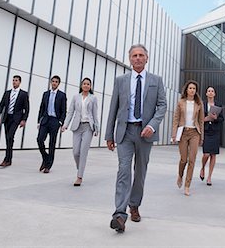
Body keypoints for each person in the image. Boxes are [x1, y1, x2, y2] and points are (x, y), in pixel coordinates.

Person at [105, 44, 167, 233]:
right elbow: (113, 108)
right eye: (134, 56)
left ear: (147, 58)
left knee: (140, 172)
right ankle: (119, 215)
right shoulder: (120, 80)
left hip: (144, 133)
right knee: (124, 170)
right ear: (130, 59)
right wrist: (109, 134)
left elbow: (162, 106)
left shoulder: (156, 80)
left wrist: (152, 126)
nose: (138, 58)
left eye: (141, 55)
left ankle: (134, 204)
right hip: (125, 132)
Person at [61, 77, 99, 186]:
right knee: (76, 152)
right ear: (81, 85)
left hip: (88, 127)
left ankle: (79, 176)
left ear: (90, 86)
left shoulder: (93, 98)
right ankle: (80, 168)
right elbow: (70, 112)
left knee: (83, 152)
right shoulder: (75, 97)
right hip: (77, 127)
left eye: (88, 84)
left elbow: (95, 114)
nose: (86, 85)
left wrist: (97, 128)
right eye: (84, 84)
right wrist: (65, 125)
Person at [171, 80, 204, 196]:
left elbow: (201, 121)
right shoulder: (181, 102)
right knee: (183, 159)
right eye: (190, 88)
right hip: (183, 132)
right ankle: (180, 175)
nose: (192, 90)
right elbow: (176, 119)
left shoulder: (199, 104)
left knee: (192, 160)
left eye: (194, 88)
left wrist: (201, 137)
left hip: (195, 133)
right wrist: (174, 134)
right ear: (186, 90)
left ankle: (187, 185)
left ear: (196, 91)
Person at [0, 75, 29, 167]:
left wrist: (24, 120)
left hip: (16, 119)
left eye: (16, 80)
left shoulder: (23, 94)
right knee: (8, 138)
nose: (14, 82)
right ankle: (9, 159)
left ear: (20, 82)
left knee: (10, 136)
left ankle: (6, 159)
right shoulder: (7, 93)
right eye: (13, 80)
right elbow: (1, 104)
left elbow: (26, 108)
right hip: (7, 118)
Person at [37, 75, 67, 173]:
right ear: (50, 82)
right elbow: (41, 108)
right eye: (53, 81)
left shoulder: (62, 95)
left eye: (56, 81)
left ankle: (48, 166)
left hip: (55, 121)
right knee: (39, 139)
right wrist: (39, 121)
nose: (54, 83)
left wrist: (60, 122)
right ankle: (45, 158)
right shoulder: (45, 94)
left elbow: (63, 111)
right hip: (45, 120)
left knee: (51, 143)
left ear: (58, 83)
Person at [200, 86, 224, 186]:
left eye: (212, 91)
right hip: (206, 131)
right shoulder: (202, 104)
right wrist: (204, 119)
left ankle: (209, 177)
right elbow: (198, 117)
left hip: (215, 131)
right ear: (206, 93)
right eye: (208, 91)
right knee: (206, 154)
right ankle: (202, 168)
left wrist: (215, 118)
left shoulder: (218, 105)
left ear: (214, 94)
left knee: (213, 154)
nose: (210, 92)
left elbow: (222, 119)